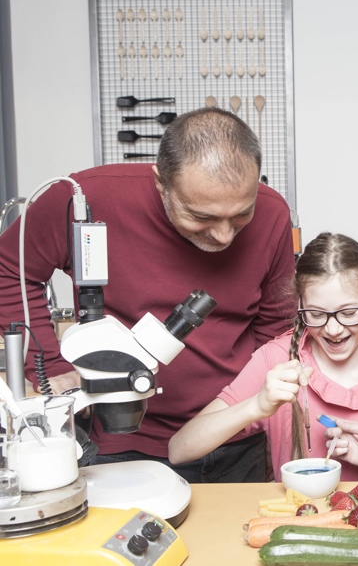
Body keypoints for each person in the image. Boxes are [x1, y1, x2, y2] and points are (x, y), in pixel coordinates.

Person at [0, 107, 296, 482]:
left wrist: (244, 408)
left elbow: (275, 327)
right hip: (121, 442)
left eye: (240, 215)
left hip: (233, 440)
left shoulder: (272, 214)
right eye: (202, 217)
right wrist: (52, 370)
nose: (224, 235)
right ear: (161, 182)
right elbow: (9, 270)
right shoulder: (82, 199)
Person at [168, 233, 358, 481]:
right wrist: (256, 406)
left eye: (348, 313)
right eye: (315, 313)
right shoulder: (276, 361)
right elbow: (179, 450)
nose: (333, 330)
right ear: (300, 303)